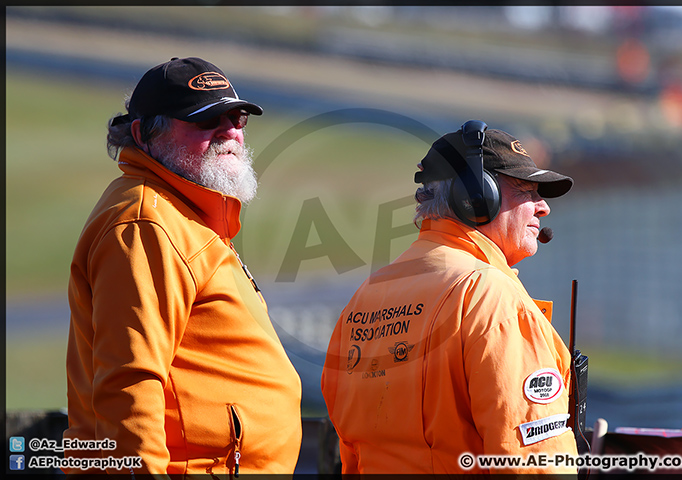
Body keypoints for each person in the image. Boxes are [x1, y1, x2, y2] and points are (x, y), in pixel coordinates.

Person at [64, 57, 302, 475]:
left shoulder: (182, 216)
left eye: (236, 116)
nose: (230, 131)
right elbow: (129, 387)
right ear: (144, 134)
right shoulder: (146, 224)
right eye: (207, 119)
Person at [321, 120, 579, 475]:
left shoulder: (366, 296)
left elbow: (350, 452)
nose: (542, 207)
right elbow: (533, 463)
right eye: (526, 191)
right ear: (476, 197)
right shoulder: (490, 295)